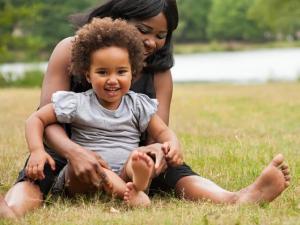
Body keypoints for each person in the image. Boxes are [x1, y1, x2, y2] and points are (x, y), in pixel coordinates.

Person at [0, 0, 291, 219]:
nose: (152, 41)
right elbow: (45, 118)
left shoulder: (159, 70)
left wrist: (156, 155)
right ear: (119, 17)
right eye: (143, 30)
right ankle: (10, 209)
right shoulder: (72, 50)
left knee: (174, 169)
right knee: (39, 174)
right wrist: (75, 153)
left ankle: (235, 198)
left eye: (162, 35)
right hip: (65, 147)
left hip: (129, 156)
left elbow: (157, 133)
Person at [24, 18, 181, 208]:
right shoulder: (77, 103)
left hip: (124, 172)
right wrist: (37, 151)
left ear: (133, 72)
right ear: (88, 75)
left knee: (138, 157)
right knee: (81, 166)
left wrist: (172, 143)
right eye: (103, 72)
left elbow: (162, 131)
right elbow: (36, 119)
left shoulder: (137, 105)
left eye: (121, 72)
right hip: (84, 177)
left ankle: (136, 183)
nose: (112, 80)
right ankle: (131, 195)